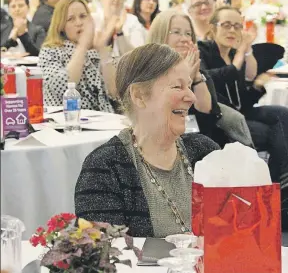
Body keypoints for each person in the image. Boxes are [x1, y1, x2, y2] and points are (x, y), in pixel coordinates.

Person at [75, 44, 220, 237]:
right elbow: (105, 255)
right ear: (139, 96)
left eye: (189, 85)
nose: (192, 97)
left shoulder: (204, 151)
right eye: (177, 86)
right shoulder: (104, 168)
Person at [199, 6, 288, 229]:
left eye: (237, 26)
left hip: (241, 115)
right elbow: (218, 89)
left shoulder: (233, 54)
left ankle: (287, 182)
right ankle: (283, 195)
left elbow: (243, 102)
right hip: (218, 120)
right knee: (276, 135)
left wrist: (257, 86)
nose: (232, 30)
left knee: (281, 114)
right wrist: (242, 53)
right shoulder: (204, 52)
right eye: (226, 25)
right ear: (212, 28)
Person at [147, 9, 253, 148]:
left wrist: (196, 76)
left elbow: (207, 110)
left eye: (188, 33)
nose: (184, 38)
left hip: (202, 139)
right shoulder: (147, 70)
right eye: (176, 32)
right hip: (165, 142)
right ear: (160, 34)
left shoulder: (199, 69)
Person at [38, 0, 115, 112]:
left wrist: (102, 51)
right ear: (61, 25)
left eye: (83, 16)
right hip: (66, 121)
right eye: (71, 19)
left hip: (104, 120)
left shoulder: (96, 49)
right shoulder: (50, 51)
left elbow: (115, 91)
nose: (79, 23)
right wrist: (82, 46)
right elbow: (63, 85)